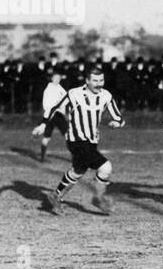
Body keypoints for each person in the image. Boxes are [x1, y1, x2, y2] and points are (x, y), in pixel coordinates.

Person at [32, 67, 125, 215]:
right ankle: (99, 198)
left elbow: (119, 118)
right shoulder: (74, 94)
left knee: (78, 171)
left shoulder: (106, 96)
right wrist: (43, 124)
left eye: (101, 80)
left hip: (92, 140)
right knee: (105, 167)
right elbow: (53, 107)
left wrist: (117, 123)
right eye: (95, 80)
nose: (98, 83)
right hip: (76, 139)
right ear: (87, 81)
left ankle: (55, 195)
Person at [37, 71, 67, 161]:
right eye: (56, 78)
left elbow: (66, 98)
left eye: (59, 78)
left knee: (47, 137)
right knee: (68, 135)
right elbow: (47, 104)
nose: (58, 80)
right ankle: (75, 159)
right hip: (55, 115)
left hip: (51, 115)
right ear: (52, 78)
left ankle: (42, 157)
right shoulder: (49, 89)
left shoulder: (58, 87)